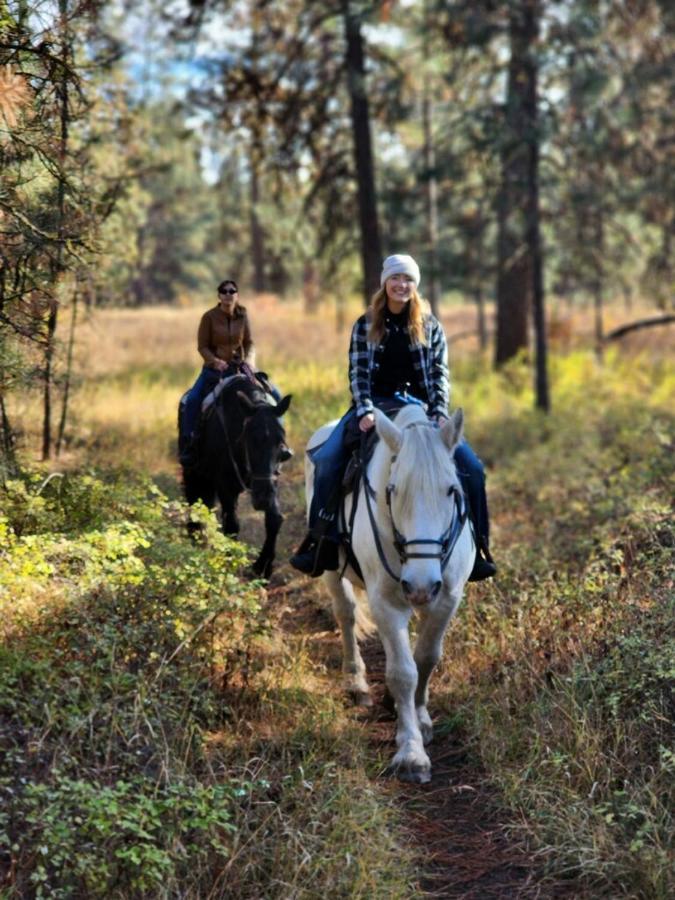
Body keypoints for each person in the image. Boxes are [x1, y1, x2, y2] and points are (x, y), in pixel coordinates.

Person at [289, 253, 496, 582]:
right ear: (385, 283)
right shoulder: (366, 323)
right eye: (396, 278)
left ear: (416, 285)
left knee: (472, 468)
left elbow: (439, 375)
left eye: (408, 280)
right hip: (377, 407)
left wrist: (440, 412)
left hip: (423, 412)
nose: (402, 285)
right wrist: (365, 409)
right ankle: (320, 544)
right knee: (328, 459)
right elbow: (358, 373)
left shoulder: (431, 326)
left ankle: (480, 547)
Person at [180, 279, 287, 465]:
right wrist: (215, 361)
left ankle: (280, 443)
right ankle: (190, 443)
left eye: (232, 291)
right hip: (215, 370)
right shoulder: (209, 317)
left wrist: (249, 361)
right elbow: (202, 346)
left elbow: (249, 343)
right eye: (224, 291)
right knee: (193, 400)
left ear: (237, 295)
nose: (228, 294)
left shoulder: (242, 315)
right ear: (219, 295)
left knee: (276, 395)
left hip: (241, 368)